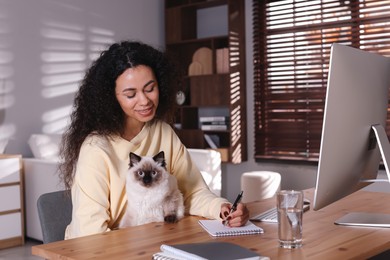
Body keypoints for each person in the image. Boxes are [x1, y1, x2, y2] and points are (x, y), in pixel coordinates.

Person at [59, 40, 249, 239]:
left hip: (149, 242)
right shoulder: (96, 149)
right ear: (110, 98)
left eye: (150, 88)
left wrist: (223, 208)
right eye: (131, 94)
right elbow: (91, 235)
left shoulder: (163, 132)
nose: (145, 101)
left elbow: (192, 191)